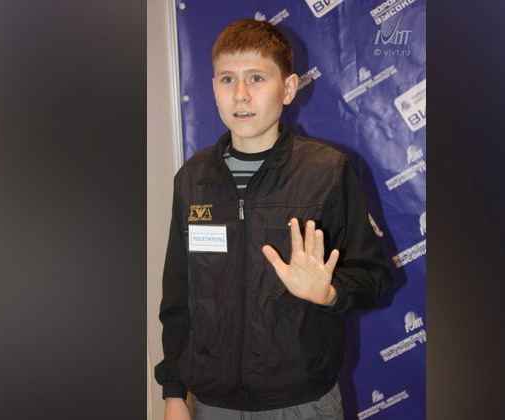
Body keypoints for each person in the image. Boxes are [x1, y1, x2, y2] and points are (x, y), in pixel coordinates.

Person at [155, 19, 393, 420]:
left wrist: (328, 292)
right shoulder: (192, 178)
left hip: (303, 402)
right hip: (213, 403)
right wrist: (174, 393)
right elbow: (178, 297)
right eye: (227, 79)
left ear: (288, 88)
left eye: (257, 78)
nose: (241, 94)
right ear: (213, 88)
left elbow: (374, 277)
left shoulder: (328, 172)